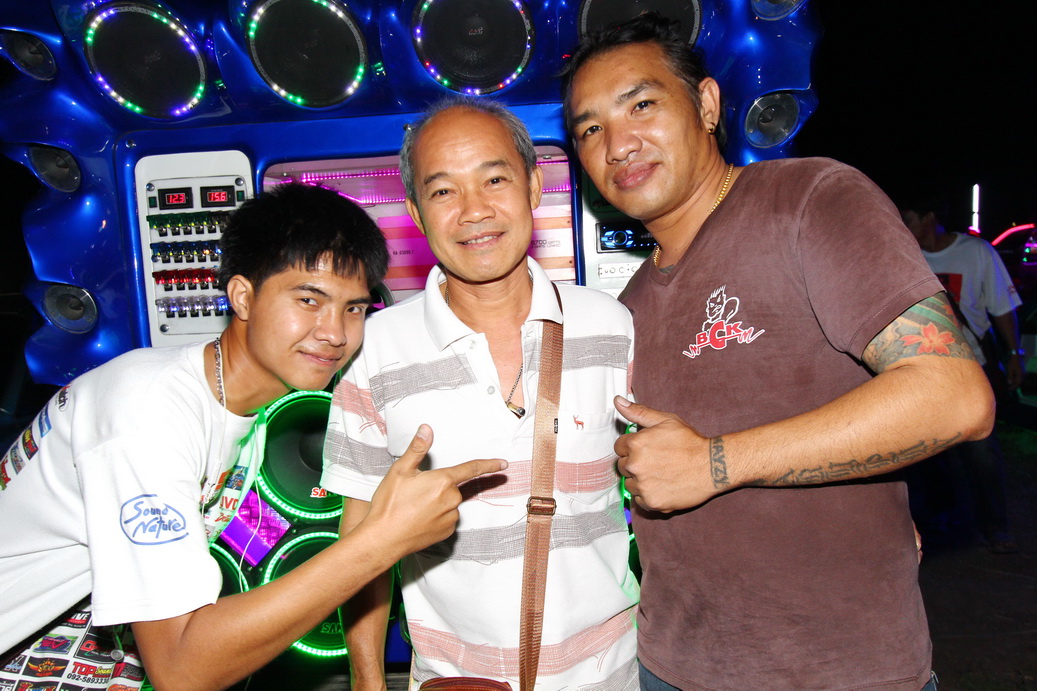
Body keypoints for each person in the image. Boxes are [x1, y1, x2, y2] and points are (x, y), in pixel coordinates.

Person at [562, 13, 994, 691]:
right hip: (671, 665)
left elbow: (955, 397)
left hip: (839, 673)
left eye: (641, 105)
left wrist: (715, 463)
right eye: (590, 129)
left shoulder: (808, 201)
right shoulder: (629, 305)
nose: (618, 143)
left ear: (707, 104)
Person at [0, 182, 505, 691]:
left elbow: (222, 555)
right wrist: (382, 539)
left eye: (354, 308)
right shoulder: (147, 412)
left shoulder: (246, 410)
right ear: (242, 296)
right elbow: (181, 670)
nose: (335, 333)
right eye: (309, 300)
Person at [321, 98, 639, 690]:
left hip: (611, 674)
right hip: (452, 679)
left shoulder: (611, 326)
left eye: (494, 180)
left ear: (534, 187)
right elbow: (359, 541)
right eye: (444, 191)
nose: (474, 211)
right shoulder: (373, 350)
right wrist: (368, 680)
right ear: (416, 213)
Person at [899, 189, 1023, 553]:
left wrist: (1014, 353)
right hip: (921, 371)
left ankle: (995, 528)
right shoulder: (903, 255)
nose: (902, 226)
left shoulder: (976, 252)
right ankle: (940, 525)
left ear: (929, 218)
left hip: (970, 369)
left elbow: (1002, 306)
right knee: (926, 453)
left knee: (981, 452)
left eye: (908, 219)